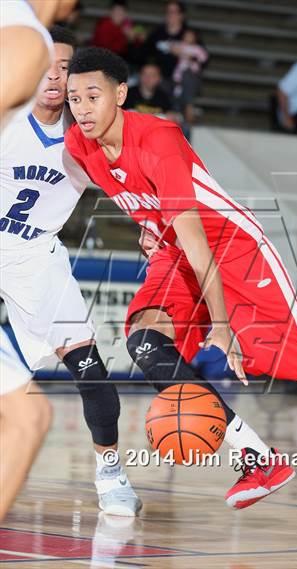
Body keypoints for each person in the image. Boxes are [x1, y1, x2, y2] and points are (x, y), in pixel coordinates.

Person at [65, 47, 297, 534]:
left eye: (92, 95)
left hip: (232, 250)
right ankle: (256, 455)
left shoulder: (158, 138)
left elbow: (196, 238)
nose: (81, 107)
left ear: (121, 94)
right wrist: (147, 227)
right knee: (145, 342)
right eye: (73, 97)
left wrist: (224, 325)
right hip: (177, 254)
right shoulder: (80, 145)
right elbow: (142, 204)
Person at [0, 28, 140, 517]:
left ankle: (110, 472)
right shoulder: (6, 119)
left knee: (89, 367)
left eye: (64, 67)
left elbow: (135, 177)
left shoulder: (87, 137)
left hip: (35, 255)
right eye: (46, 65)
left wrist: (149, 223)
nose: (54, 76)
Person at [0, 0, 76, 522]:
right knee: (27, 418)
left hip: (33, 254)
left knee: (29, 415)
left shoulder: (80, 137)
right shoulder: (26, 38)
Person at [142, 1, 188, 83]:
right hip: (159, 77)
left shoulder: (189, 35)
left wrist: (183, 54)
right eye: (168, 11)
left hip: (182, 78)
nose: (170, 15)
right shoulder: (157, 33)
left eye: (173, 12)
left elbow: (202, 58)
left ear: (181, 15)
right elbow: (144, 53)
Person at [171, 28, 208, 123]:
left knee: (186, 79)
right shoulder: (181, 46)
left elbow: (203, 58)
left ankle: (188, 107)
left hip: (191, 73)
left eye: (190, 36)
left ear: (195, 38)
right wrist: (174, 49)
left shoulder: (197, 48)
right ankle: (184, 109)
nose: (187, 38)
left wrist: (192, 58)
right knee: (178, 89)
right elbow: (171, 47)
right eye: (186, 36)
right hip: (180, 73)